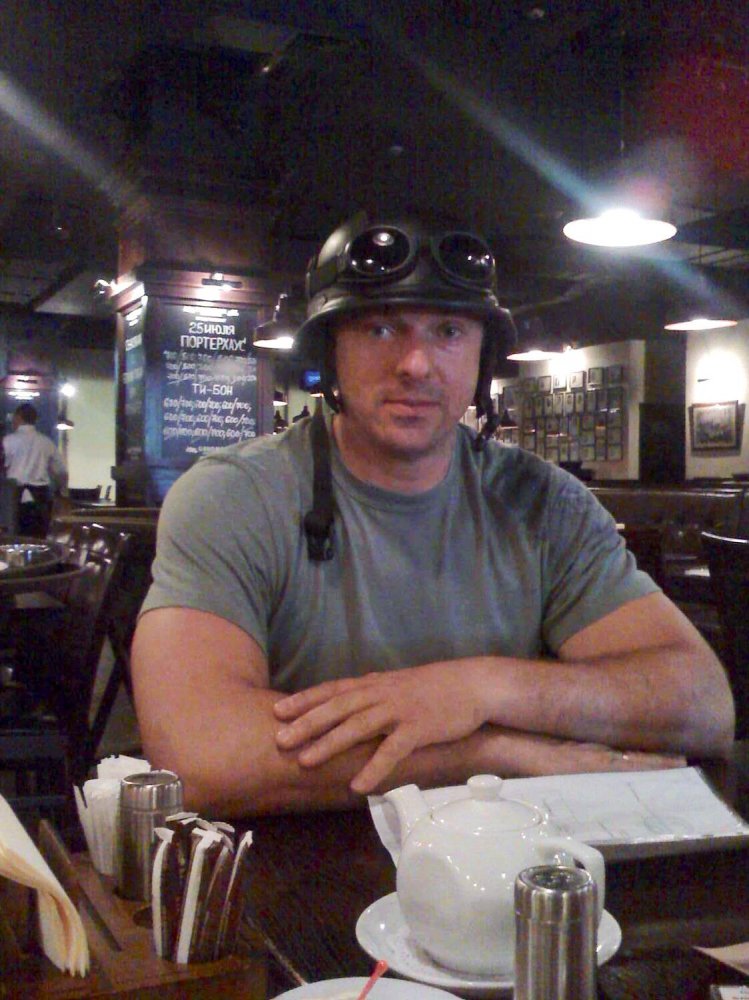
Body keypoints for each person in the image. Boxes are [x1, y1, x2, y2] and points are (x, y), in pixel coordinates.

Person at [132, 212, 734, 817]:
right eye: (380, 329)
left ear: (482, 357)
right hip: (307, 860)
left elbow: (703, 703)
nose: (416, 364)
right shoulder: (234, 496)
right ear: (330, 352)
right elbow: (197, 752)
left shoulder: (546, 502)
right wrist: (489, 753)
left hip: (511, 855)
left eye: (448, 330)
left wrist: (482, 687)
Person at [2, 402, 68, 537]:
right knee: (39, 537)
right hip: (40, 497)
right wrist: (61, 491)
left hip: (13, 497)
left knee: (13, 536)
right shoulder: (47, 442)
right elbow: (62, 471)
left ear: (18, 417)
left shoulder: (7, 441)